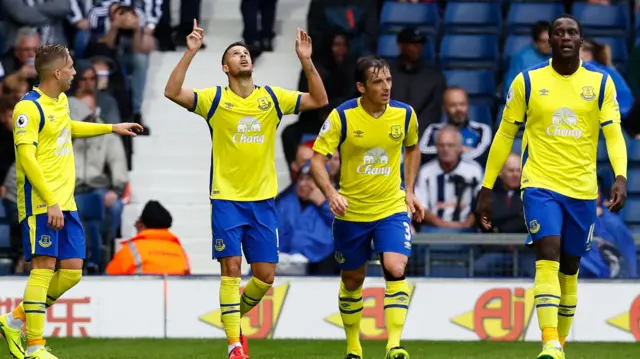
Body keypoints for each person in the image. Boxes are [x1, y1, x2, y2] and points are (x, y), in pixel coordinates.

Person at [163, 20, 327, 359]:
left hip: (263, 201)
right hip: (226, 199)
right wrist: (190, 52)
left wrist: (306, 60)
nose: (243, 56)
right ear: (225, 67)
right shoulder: (215, 99)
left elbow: (319, 99)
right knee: (232, 268)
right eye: (236, 54)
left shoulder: (272, 97)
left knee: (265, 276)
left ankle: (231, 317)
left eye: (246, 53)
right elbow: (173, 92)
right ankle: (235, 345)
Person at [476, 15, 627, 359]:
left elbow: (614, 134)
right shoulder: (527, 82)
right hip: (540, 184)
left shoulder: (601, 84)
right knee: (548, 254)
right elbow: (504, 135)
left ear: (581, 40)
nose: (565, 37)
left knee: (570, 268)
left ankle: (560, 343)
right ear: (549, 42)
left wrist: (621, 175)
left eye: (572, 32)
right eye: (558, 33)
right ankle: (548, 342)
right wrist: (487, 187)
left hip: (582, 189)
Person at [0, 44, 142, 359]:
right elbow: (26, 158)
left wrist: (110, 128)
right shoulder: (28, 108)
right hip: (41, 202)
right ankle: (35, 346)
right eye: (72, 67)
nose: (76, 73)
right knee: (43, 268)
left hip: (67, 201)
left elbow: (67, 129)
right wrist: (50, 201)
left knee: (73, 272)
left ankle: (13, 320)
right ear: (57, 72)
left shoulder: (61, 101)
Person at [310, 55, 424, 359]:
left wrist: (409, 191)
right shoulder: (342, 117)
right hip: (352, 213)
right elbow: (317, 160)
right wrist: (331, 192)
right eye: (377, 82)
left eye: (388, 80)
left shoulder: (405, 115)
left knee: (395, 266)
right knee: (352, 279)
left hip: (390, 207)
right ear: (361, 86)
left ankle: (394, 345)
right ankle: (353, 347)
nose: (386, 87)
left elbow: (413, 148)